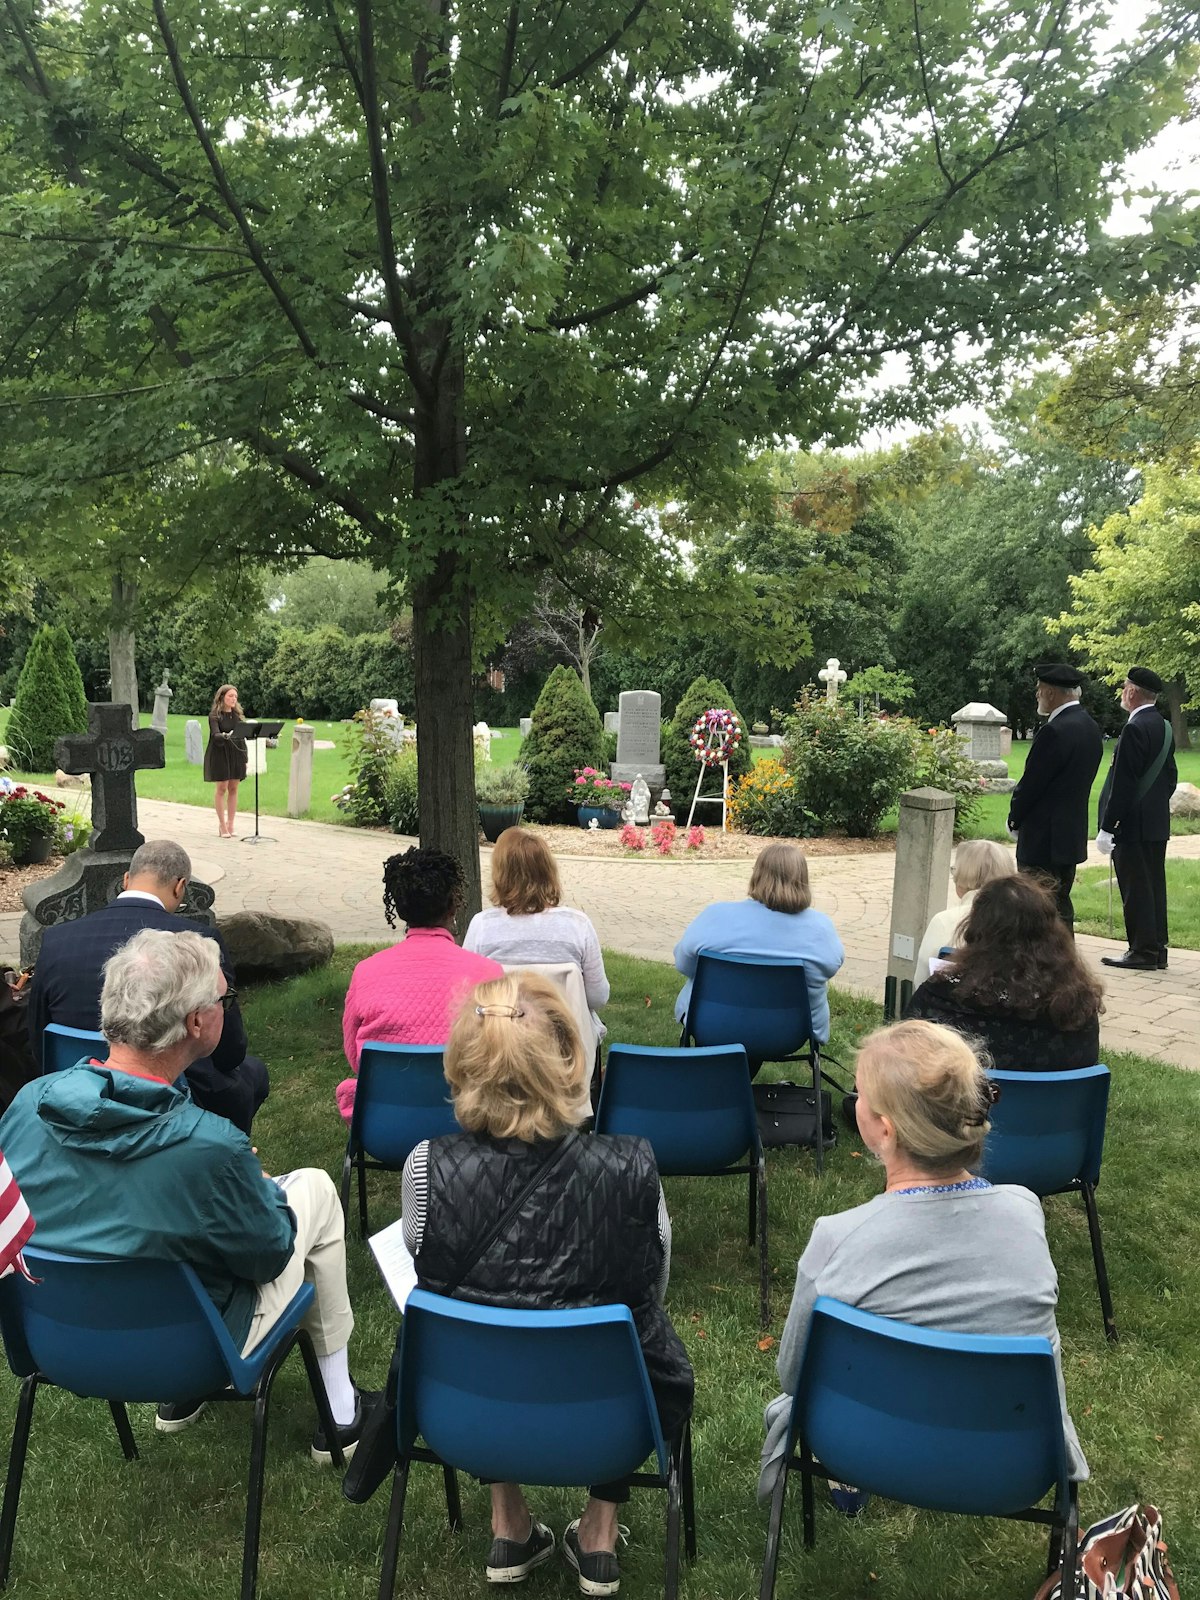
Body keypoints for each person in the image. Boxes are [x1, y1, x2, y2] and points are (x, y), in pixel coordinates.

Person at [0, 929, 373, 1462]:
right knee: (314, 1187)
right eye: (224, 999)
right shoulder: (209, 1148)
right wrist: (255, 1191)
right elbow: (268, 1255)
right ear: (198, 1022)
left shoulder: (27, 1105)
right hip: (194, 1353)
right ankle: (340, 1409)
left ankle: (189, 1403)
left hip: (54, 1342)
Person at [402, 971, 693, 1594]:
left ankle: (507, 1522)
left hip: (466, 1407)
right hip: (614, 1414)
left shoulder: (425, 1167)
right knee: (631, 1332)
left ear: (462, 1061)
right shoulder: (635, 1168)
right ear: (569, 1056)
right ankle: (599, 1532)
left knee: (477, 1313)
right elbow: (651, 1292)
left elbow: (432, 1274)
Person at [759, 1019, 1087, 1508]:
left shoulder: (837, 1236)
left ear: (884, 1131)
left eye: (860, 1095)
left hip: (860, 1446)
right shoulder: (1025, 1211)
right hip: (1012, 1460)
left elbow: (793, 1374)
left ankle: (848, 1482)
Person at [27, 838, 269, 1134]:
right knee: (252, 1074)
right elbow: (229, 1049)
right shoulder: (198, 942)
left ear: (126, 880)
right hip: (175, 1092)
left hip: (74, 1090)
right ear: (180, 886)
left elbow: (38, 1036)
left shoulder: (57, 940)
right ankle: (236, 1154)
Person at [338, 848, 502, 1123]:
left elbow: (356, 1057)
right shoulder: (489, 973)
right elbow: (501, 1052)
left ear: (400, 907)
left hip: (385, 1126)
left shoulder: (366, 973)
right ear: (454, 905)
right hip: (470, 1124)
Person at [904, 875, 1102, 1071]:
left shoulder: (938, 999)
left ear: (975, 930)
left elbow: (901, 1062)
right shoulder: (1077, 1008)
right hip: (1055, 1104)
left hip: (966, 1103)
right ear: (1053, 934)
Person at [672, 842, 844, 1054]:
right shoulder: (821, 929)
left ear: (757, 875)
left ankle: (725, 1081)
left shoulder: (715, 917)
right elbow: (831, 966)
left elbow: (683, 964)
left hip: (710, 1023)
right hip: (789, 1032)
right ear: (803, 880)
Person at [464, 827, 609, 1037]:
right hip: (567, 1048)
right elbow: (598, 997)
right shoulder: (578, 925)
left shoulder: (482, 926)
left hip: (502, 1043)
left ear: (500, 874)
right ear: (549, 872)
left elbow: (470, 993)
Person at [1007, 662, 1103, 928]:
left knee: (1035, 911)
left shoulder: (1054, 730)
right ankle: (1065, 965)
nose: (1037, 695)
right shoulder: (1089, 727)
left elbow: (1032, 784)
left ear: (1051, 692)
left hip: (1042, 839)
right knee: (1060, 908)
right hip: (1069, 835)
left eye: (1040, 690)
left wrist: (1014, 819)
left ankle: (1042, 968)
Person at [1097, 666, 1177, 971]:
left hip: (1131, 824)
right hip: (1156, 823)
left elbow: (1124, 783)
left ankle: (1142, 950)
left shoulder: (1134, 728)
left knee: (1135, 887)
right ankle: (1157, 948)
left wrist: (1108, 826)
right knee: (1154, 885)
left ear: (1132, 692)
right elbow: (1170, 778)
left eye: (1124, 688)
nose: (1122, 693)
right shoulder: (1165, 726)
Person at [914, 839, 1018, 984]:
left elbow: (921, 981)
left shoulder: (944, 921)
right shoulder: (1025, 918)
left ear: (962, 875)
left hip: (952, 1003)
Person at [204, 683, 248, 839]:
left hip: (236, 753)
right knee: (222, 787)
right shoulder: (215, 716)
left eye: (235, 696)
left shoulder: (237, 717)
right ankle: (222, 825)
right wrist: (225, 735)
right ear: (222, 697)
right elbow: (215, 735)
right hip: (220, 752)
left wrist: (245, 758)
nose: (233, 699)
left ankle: (231, 823)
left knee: (234, 787)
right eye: (230, 696)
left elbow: (242, 738)